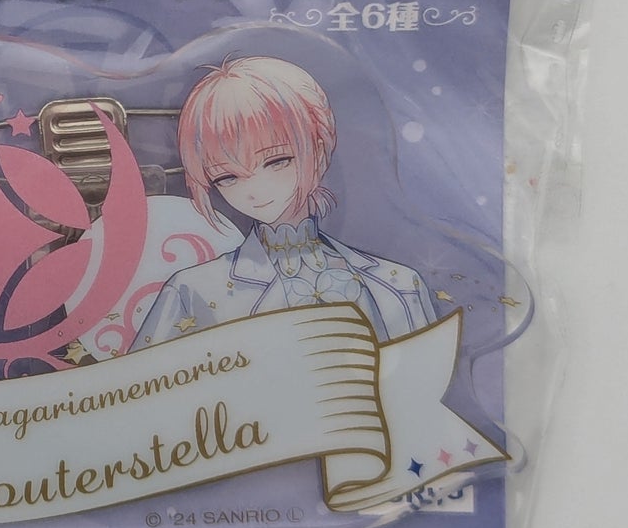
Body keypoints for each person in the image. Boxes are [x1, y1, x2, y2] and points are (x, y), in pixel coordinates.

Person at [132, 56, 438, 349]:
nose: (255, 190)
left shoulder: (398, 285)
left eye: (277, 161)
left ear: (318, 150)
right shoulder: (192, 292)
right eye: (227, 177)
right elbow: (141, 382)